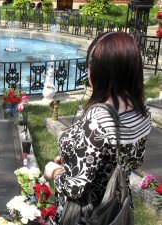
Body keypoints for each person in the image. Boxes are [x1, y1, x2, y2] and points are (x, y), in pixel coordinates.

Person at [44, 32, 152, 224]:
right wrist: (71, 159)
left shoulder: (99, 120)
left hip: (87, 215)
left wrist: (54, 171)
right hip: (116, 208)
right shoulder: (142, 112)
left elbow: (74, 188)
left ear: (99, 72)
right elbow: (132, 162)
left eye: (90, 66)